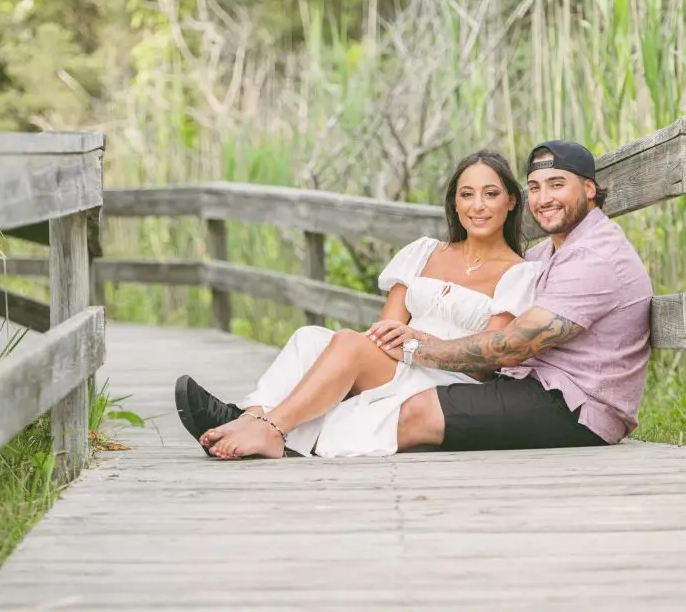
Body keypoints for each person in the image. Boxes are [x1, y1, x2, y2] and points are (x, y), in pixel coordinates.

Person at [177, 140, 654, 459]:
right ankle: (254, 422)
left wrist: (413, 346)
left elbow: (510, 347)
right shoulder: (548, 250)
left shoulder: (594, 256)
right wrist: (396, 345)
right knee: (317, 342)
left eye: (558, 185)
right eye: (536, 186)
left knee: (412, 408)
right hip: (535, 385)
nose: (544, 197)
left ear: (589, 190)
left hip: (577, 406)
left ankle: (271, 431)